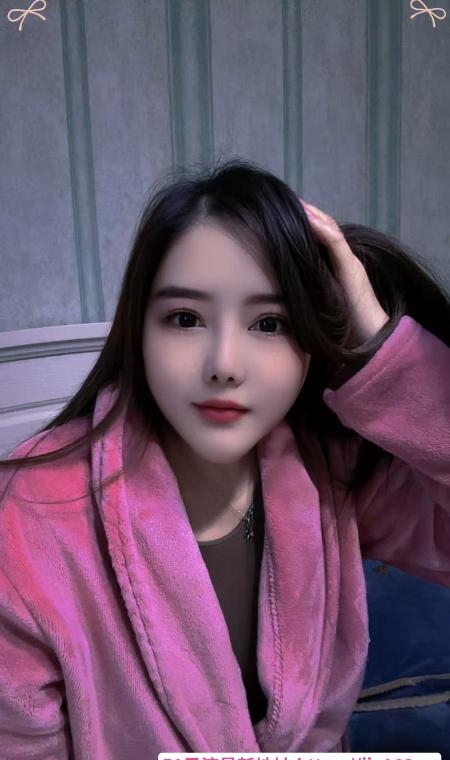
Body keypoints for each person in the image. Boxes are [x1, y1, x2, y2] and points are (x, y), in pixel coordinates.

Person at [0, 159, 449, 759]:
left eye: (270, 323)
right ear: (140, 331)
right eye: (185, 319)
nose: (225, 365)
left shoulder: (328, 469)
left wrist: (379, 349)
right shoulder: (28, 518)